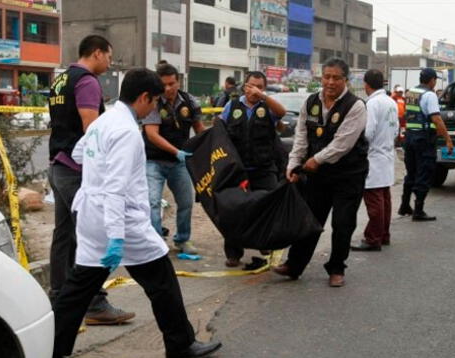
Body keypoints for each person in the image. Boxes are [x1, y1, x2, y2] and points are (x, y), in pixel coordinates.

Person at [52, 68, 222, 358]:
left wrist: (95, 177)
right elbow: (116, 189)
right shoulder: (127, 131)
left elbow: (79, 154)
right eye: (155, 100)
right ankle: (181, 345)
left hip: (92, 216)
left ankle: (51, 348)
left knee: (77, 291)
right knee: (162, 282)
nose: (155, 106)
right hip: (120, 221)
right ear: (144, 97)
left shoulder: (102, 122)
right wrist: (117, 237)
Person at [48, 35, 133, 325]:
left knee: (64, 236)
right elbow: (91, 129)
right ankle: (95, 305)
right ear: (96, 53)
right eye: (109, 57)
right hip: (74, 168)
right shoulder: (86, 81)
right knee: (91, 235)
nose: (110, 63)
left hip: (58, 164)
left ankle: (59, 296)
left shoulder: (61, 80)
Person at [273, 58, 369, 288]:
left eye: (336, 78)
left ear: (345, 80)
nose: (330, 82)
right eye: (327, 77)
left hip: (348, 174)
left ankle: (336, 268)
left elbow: (341, 145)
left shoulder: (355, 106)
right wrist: (293, 165)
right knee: (310, 220)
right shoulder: (311, 102)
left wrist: (315, 160)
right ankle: (294, 265)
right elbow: (301, 138)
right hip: (318, 175)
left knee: (343, 223)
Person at [220, 71, 287, 267]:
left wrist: (263, 96)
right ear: (244, 86)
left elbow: (281, 113)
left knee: (267, 207)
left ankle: (265, 244)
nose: (255, 90)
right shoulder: (232, 106)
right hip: (237, 170)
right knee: (233, 211)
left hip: (264, 168)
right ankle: (233, 253)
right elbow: (219, 131)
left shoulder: (267, 107)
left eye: (260, 86)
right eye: (252, 85)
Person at [142, 63, 205, 254]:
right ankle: (156, 242)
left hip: (180, 163)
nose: (168, 88)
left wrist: (212, 142)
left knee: (186, 201)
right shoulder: (153, 102)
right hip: (154, 161)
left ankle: (183, 239)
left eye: (172, 83)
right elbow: (152, 134)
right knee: (152, 202)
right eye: (164, 84)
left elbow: (199, 129)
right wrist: (175, 151)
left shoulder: (189, 101)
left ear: (178, 81)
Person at [351, 70, 399, 252]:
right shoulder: (391, 102)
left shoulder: (372, 103)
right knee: (384, 198)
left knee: (374, 200)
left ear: (366, 84)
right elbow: (396, 131)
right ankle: (383, 234)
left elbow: (368, 133)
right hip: (386, 154)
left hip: (373, 156)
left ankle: (373, 238)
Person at [398, 68, 454, 221]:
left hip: (409, 137)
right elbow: (436, 119)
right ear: (432, 80)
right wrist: (448, 139)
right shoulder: (429, 95)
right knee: (425, 172)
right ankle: (418, 210)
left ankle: (404, 205)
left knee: (411, 172)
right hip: (423, 139)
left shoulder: (411, 93)